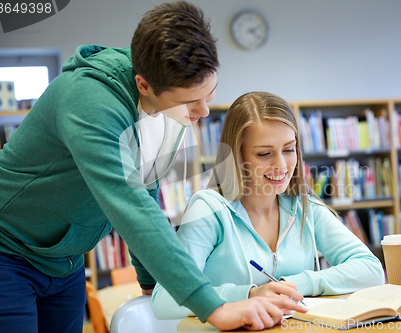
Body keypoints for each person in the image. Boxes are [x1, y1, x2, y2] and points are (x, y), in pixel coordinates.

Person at [0, 3, 305, 332]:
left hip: (65, 261)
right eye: (188, 101)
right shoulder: (89, 101)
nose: (202, 112)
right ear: (144, 85)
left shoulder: (171, 102)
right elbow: (129, 205)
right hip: (4, 249)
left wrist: (150, 283)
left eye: (209, 94)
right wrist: (214, 307)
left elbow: (147, 186)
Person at [151, 91, 385, 319]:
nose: (281, 165)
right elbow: (165, 299)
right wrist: (250, 295)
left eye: (288, 149)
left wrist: (292, 285)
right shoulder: (209, 209)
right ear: (237, 156)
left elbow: (370, 269)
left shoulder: (304, 204)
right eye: (264, 153)